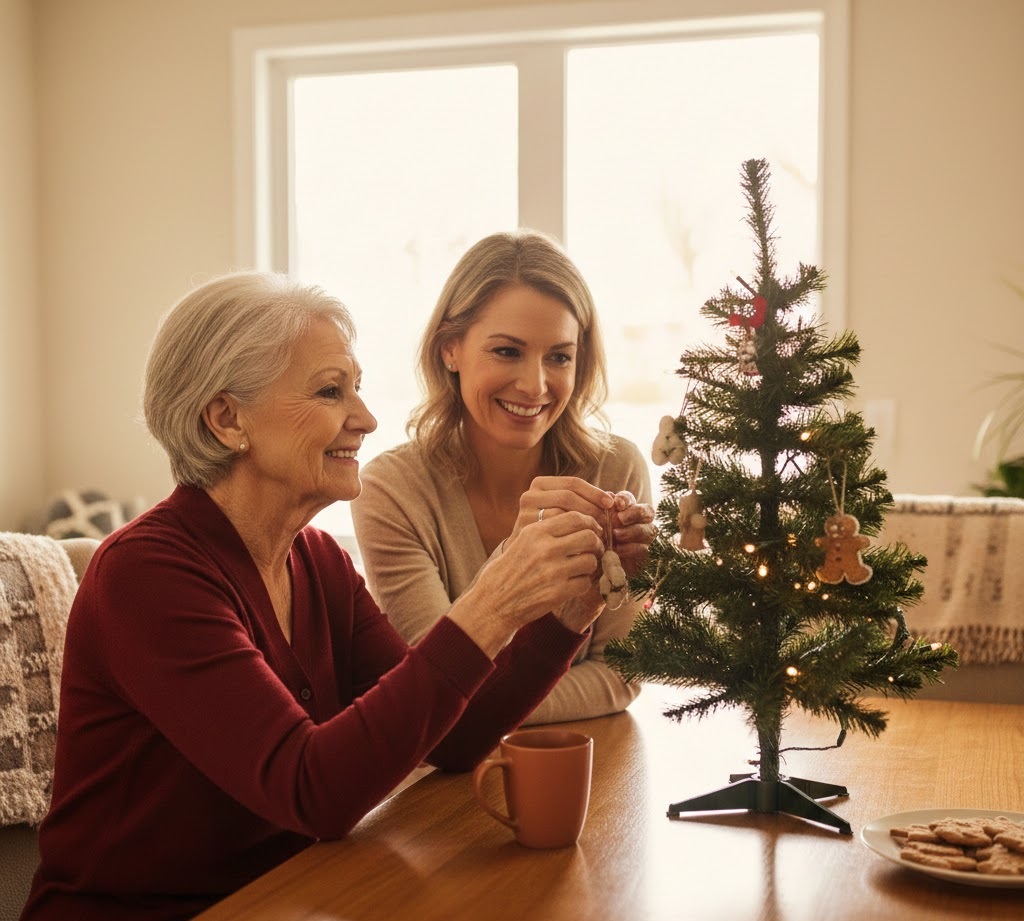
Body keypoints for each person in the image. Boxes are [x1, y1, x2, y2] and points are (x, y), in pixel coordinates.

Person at [21, 271, 612, 921]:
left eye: (355, 388)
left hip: (292, 897)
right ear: (226, 418)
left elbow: (454, 739)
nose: (366, 418)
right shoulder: (146, 574)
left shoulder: (316, 558)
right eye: (332, 391)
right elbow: (314, 788)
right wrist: (491, 603)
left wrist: (568, 613)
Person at [352, 230, 655, 725]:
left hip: (588, 765)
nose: (534, 385)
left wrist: (484, 704)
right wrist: (520, 556)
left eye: (559, 356)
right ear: (450, 349)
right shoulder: (391, 490)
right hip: (451, 789)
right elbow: (436, 693)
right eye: (507, 352)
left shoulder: (615, 469)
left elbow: (622, 675)